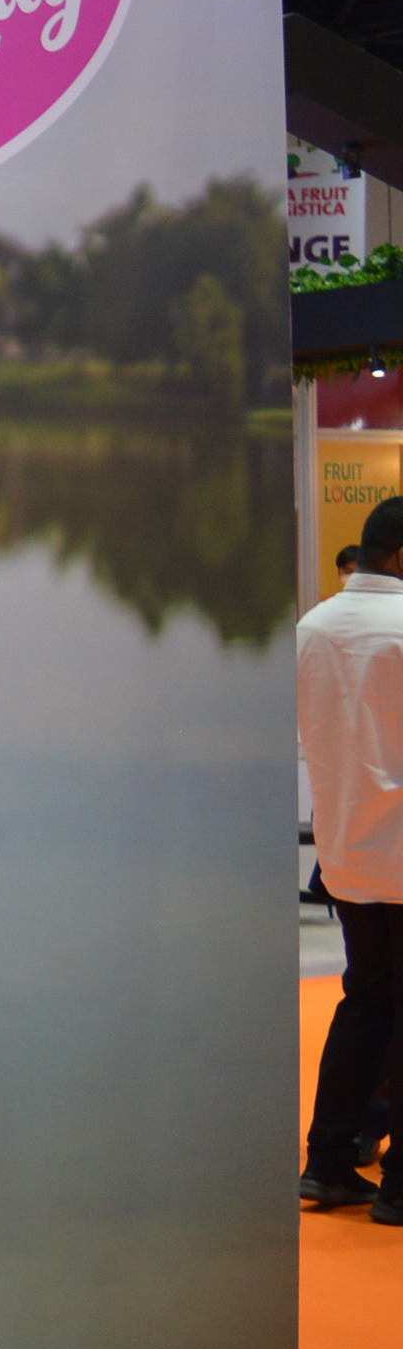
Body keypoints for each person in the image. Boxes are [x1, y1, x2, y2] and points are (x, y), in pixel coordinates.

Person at [300, 495, 403, 1221]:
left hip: (346, 852)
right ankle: (399, 1186)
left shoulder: (311, 628)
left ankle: (329, 1162)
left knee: (365, 1001)